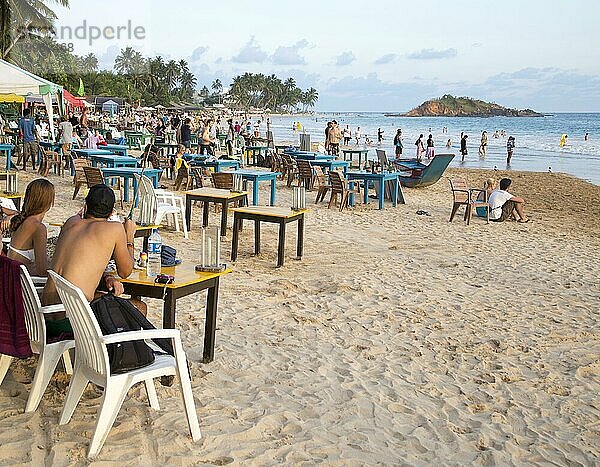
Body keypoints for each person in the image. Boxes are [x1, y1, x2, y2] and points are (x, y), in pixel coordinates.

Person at [42, 184, 143, 334]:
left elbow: (81, 258)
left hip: (45, 316)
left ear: (86, 205)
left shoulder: (71, 222)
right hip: (70, 322)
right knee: (140, 307)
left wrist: (107, 276)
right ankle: (116, 355)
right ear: (111, 213)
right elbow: (125, 271)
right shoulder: (115, 229)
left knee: (102, 297)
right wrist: (129, 237)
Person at [7, 179, 54, 276]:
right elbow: (42, 271)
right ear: (48, 202)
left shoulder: (22, 219)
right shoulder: (38, 227)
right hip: (21, 285)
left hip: (10, 278)